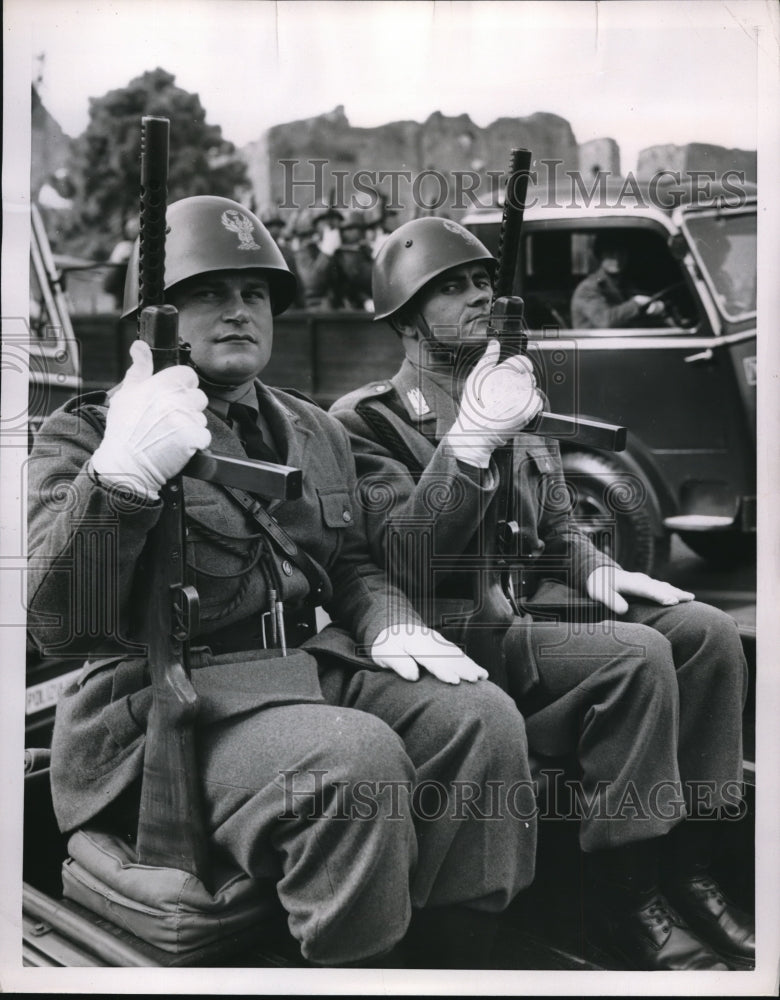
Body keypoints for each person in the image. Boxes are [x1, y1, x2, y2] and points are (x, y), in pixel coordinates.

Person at [26, 197, 538, 969]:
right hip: (167, 711)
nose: (238, 311)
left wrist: (386, 621)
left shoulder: (313, 427)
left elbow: (353, 563)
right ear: (151, 321)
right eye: (208, 293)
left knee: (480, 721)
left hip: (303, 675)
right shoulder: (90, 432)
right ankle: (357, 971)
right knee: (352, 761)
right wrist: (120, 481)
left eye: (255, 293)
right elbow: (61, 625)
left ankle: (454, 966)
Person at [329, 216, 754, 972]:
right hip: (445, 639)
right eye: (450, 287)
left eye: (483, 281)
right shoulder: (367, 421)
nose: (478, 298)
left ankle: (693, 866)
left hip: (522, 624)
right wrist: (468, 444)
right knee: (635, 656)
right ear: (403, 319)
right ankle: (625, 896)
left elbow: (557, 525)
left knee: (706, 630)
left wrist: (595, 568)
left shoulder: (509, 395)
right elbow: (408, 561)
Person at [570, 233, 668, 328]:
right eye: (611, 253)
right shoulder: (588, 288)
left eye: (621, 253)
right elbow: (604, 320)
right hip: (593, 344)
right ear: (600, 256)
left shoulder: (624, 284)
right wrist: (636, 304)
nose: (617, 258)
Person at [331, 209, 374, 310]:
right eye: (347, 229)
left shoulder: (366, 251)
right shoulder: (339, 256)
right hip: (352, 309)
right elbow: (345, 285)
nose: (347, 233)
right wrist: (365, 300)